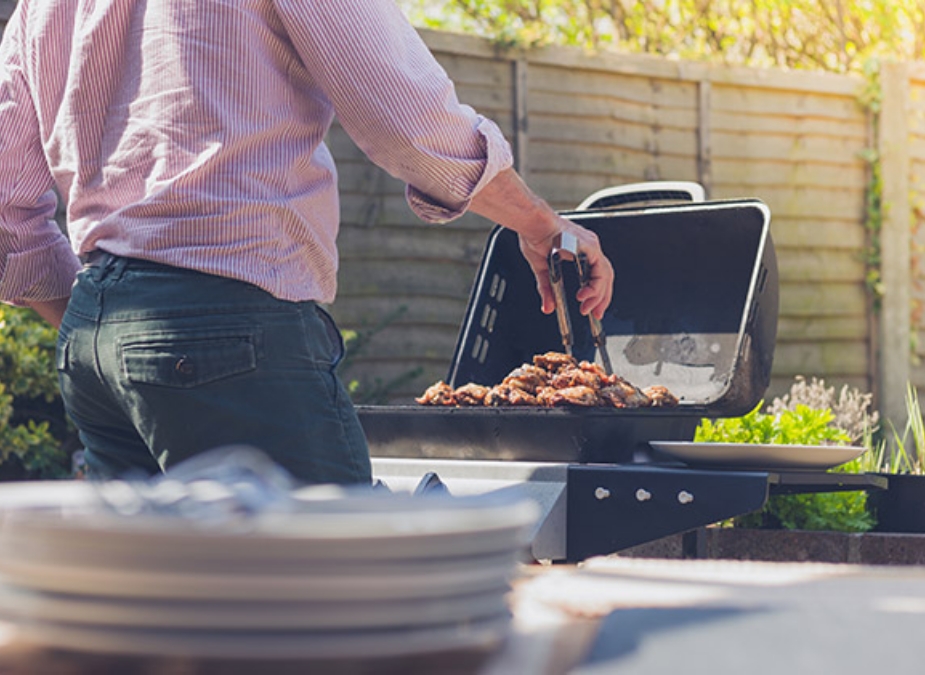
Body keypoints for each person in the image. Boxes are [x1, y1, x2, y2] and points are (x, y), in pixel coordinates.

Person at [0, 1, 614, 484]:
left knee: (152, 615)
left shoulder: (40, 8)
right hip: (227, 328)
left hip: (94, 342)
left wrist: (109, 330)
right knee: (334, 603)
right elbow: (409, 118)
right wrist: (539, 223)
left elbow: (9, 212)